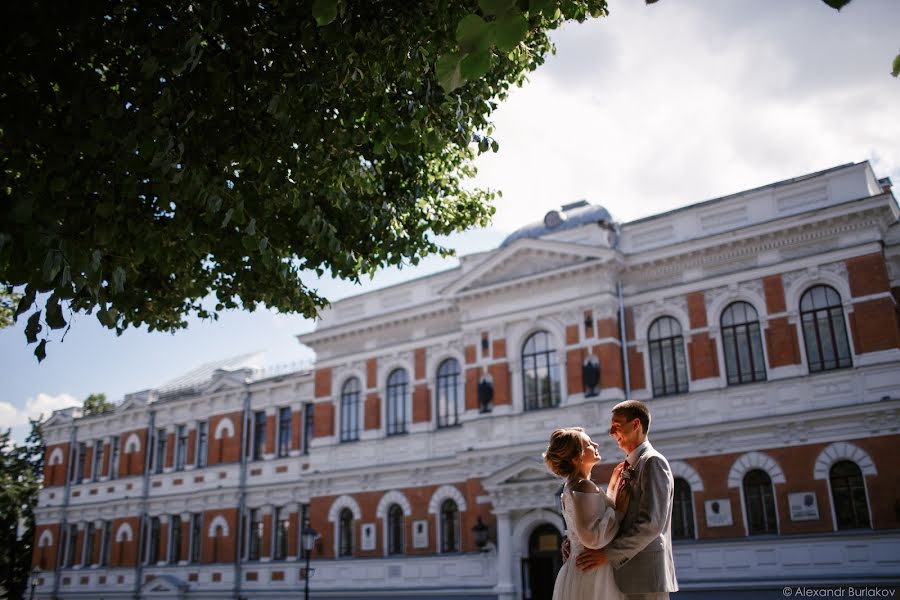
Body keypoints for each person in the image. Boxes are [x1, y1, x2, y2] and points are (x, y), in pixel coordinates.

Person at [573, 400, 679, 600]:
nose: (611, 432)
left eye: (617, 425)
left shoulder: (653, 462)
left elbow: (651, 523)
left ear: (636, 424)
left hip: (645, 574)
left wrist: (608, 555)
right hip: (623, 574)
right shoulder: (625, 468)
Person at [543, 427, 628, 600]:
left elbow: (585, 526)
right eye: (588, 444)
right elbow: (593, 537)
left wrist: (612, 487)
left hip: (580, 568)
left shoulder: (574, 484)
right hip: (594, 570)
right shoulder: (583, 485)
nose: (595, 444)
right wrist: (621, 508)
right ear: (576, 458)